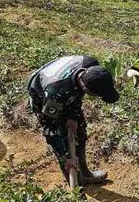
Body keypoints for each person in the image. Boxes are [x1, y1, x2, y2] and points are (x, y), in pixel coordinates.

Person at [28, 55, 119, 186]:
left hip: (67, 88)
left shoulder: (91, 66)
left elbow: (76, 93)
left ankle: (85, 174)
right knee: (63, 141)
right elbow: (50, 129)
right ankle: (76, 187)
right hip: (42, 95)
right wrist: (65, 158)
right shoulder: (55, 94)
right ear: (86, 89)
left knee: (80, 130)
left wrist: (73, 116)